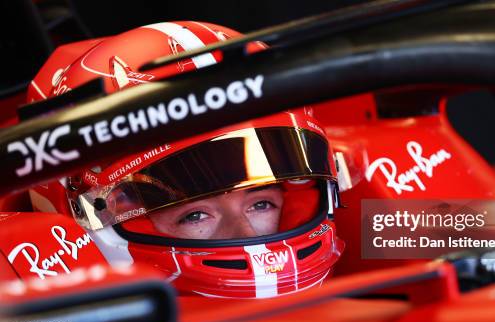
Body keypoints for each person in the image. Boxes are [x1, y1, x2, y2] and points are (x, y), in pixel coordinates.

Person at [27, 21, 344, 298]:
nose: (246, 235)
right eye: (195, 215)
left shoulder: (381, 222)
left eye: (261, 203)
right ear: (89, 213)